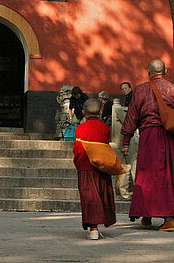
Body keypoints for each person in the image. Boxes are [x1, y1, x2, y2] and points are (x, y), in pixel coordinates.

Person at [120, 59, 174, 232]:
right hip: (171, 137)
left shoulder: (141, 90)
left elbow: (132, 116)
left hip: (149, 135)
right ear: (164, 72)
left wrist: (126, 140)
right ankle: (167, 218)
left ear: (148, 71)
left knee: (146, 176)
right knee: (166, 175)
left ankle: (147, 216)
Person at [73, 97, 116, 240]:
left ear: (84, 112)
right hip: (102, 167)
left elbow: (78, 150)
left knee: (90, 197)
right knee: (101, 195)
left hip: (86, 167)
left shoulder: (81, 128)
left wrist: (78, 165)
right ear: (100, 112)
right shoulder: (105, 128)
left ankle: (93, 229)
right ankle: (98, 225)